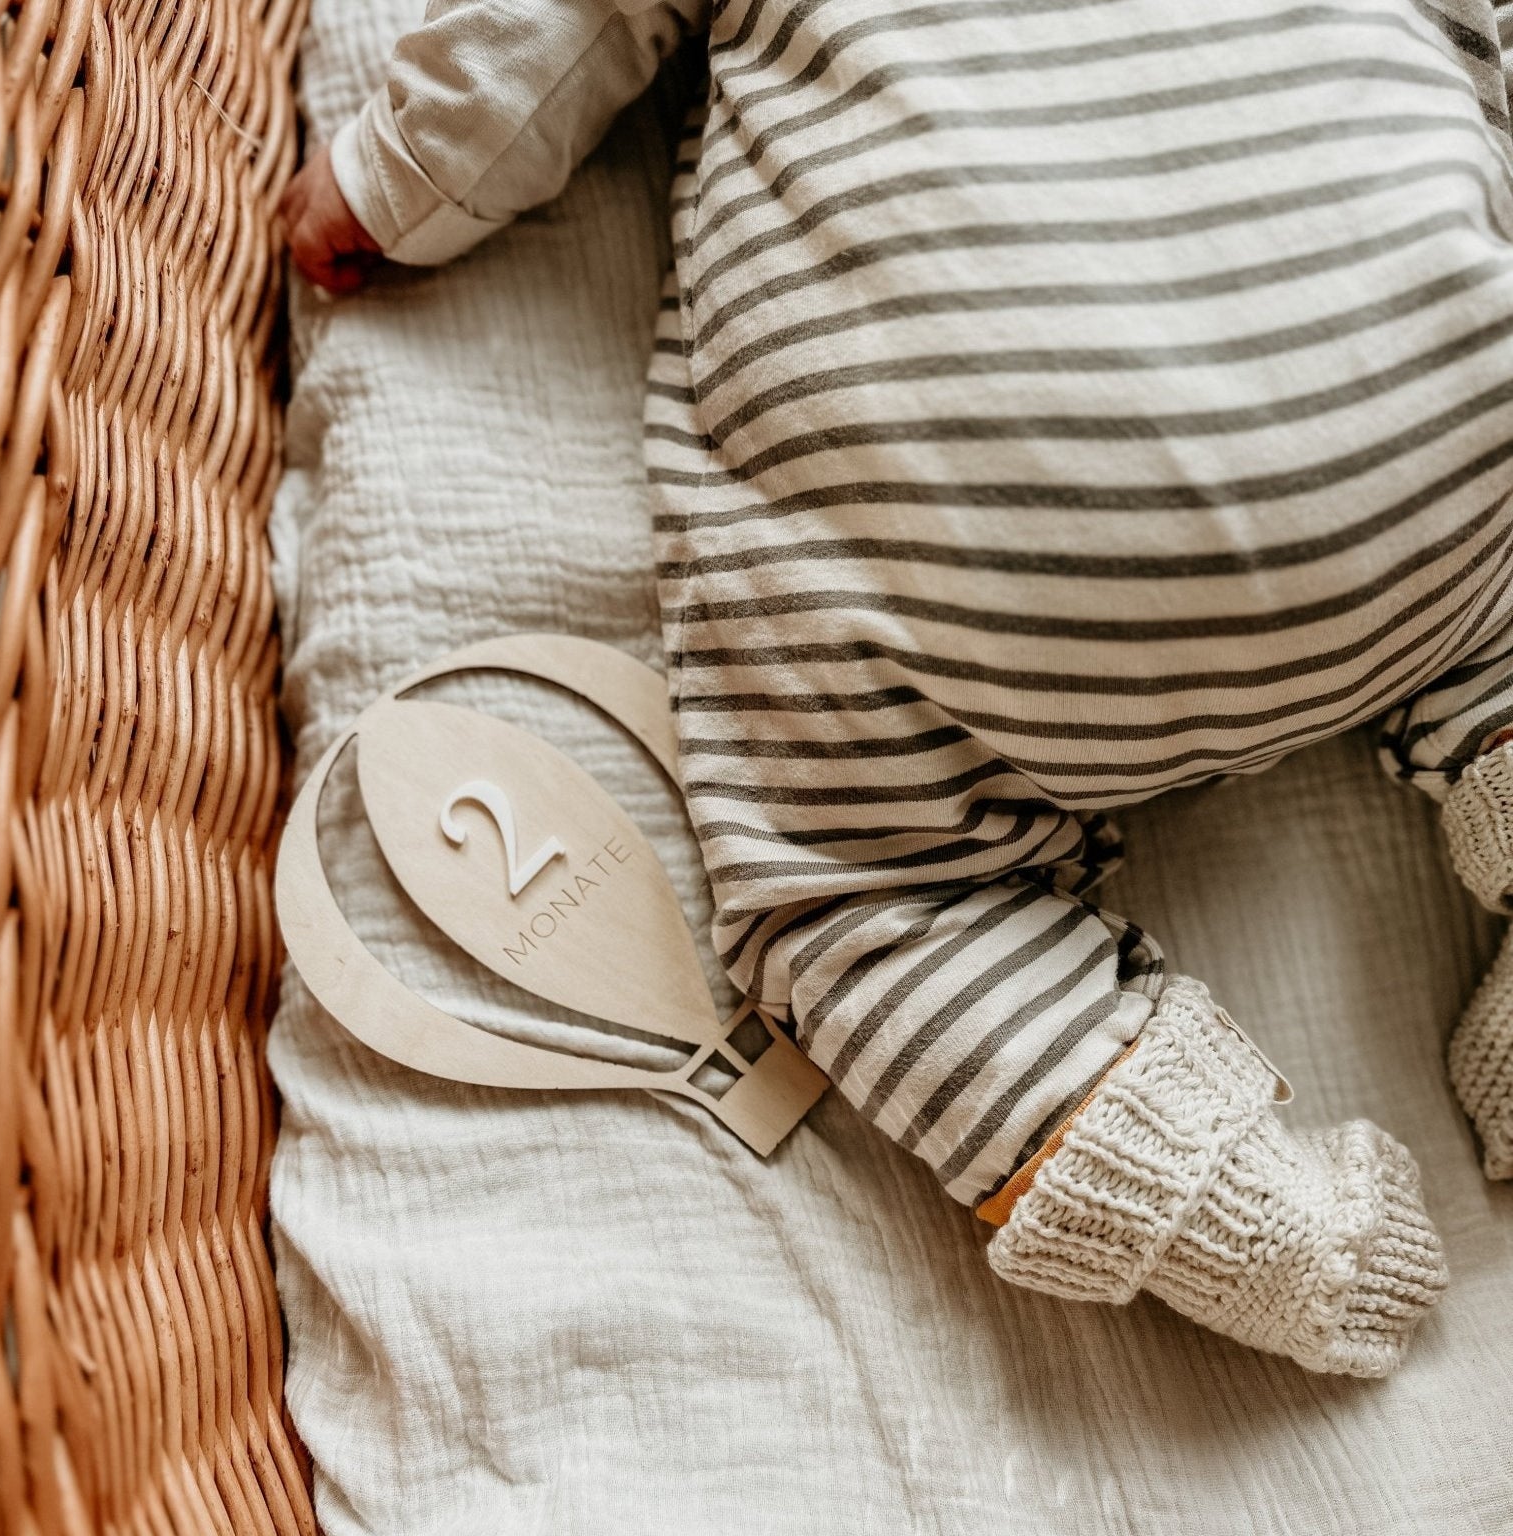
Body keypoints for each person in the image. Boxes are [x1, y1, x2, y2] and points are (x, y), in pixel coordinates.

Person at [282, 0, 1513, 1375]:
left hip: (986, 529)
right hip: (1431, 423)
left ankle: (1207, 1196)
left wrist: (394, 177)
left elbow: (543, 35)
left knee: (869, 895)